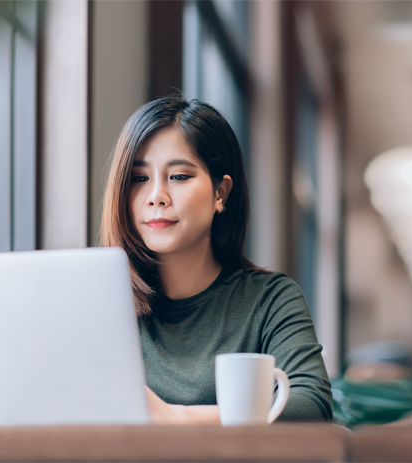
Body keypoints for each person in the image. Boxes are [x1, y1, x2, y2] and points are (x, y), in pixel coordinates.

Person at [100, 95, 332, 424]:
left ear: (220, 193)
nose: (156, 197)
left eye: (179, 177)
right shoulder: (101, 306)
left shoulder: (270, 300)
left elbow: (312, 407)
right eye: (139, 179)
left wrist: (180, 419)